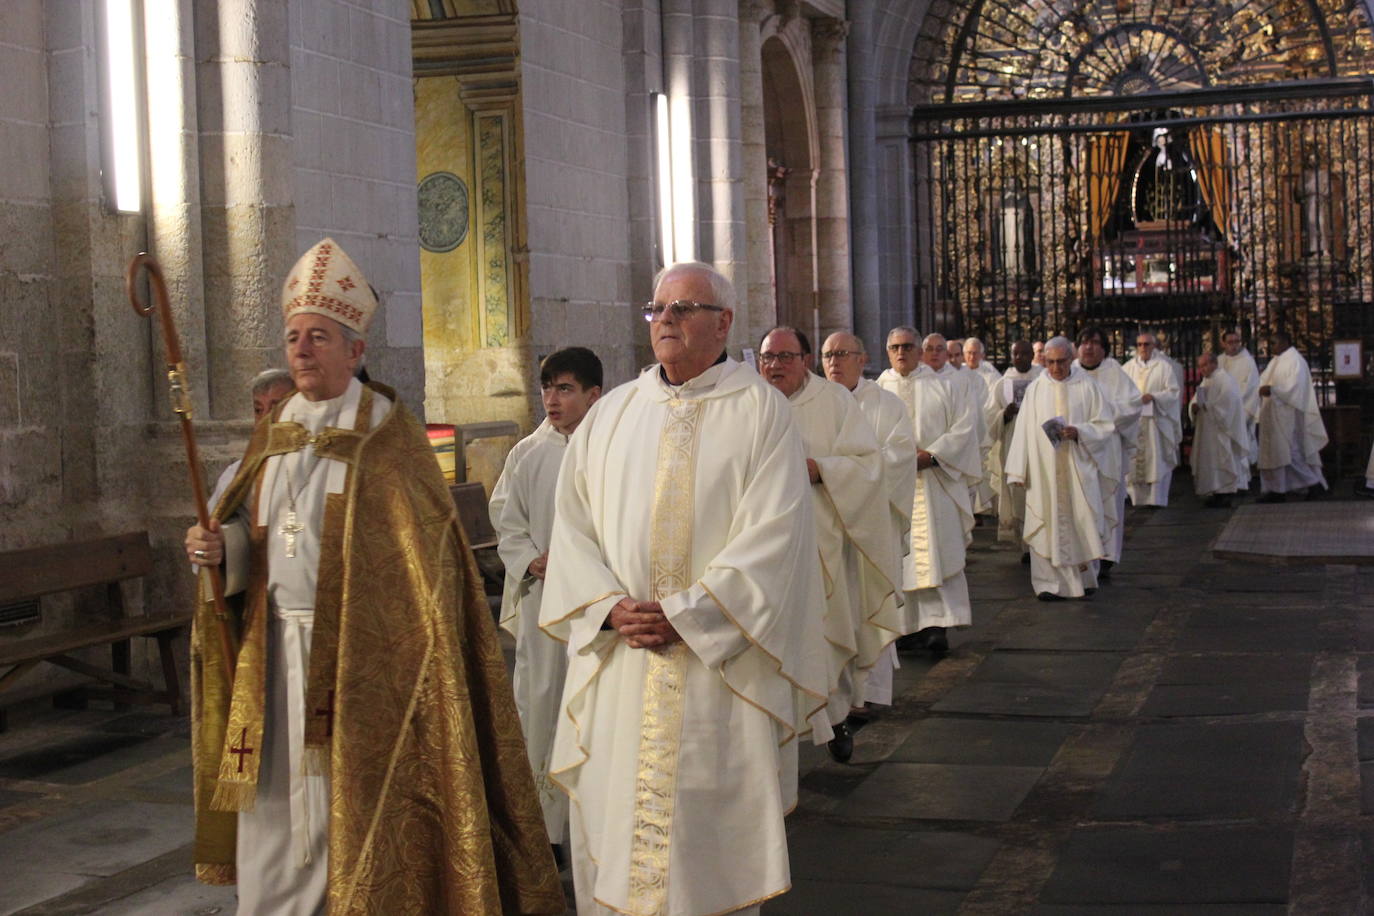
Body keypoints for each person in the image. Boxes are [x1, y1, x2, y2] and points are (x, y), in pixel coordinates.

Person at [183, 238, 562, 913]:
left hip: (365, 670)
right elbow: (255, 539)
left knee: (346, 810)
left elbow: (422, 577)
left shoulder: (389, 441)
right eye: (294, 336)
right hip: (271, 659)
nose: (301, 349)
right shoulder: (274, 436)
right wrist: (224, 553)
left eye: (319, 337)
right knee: (273, 808)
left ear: (356, 351)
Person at [540, 262, 831, 916]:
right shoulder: (611, 415)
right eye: (657, 309)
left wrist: (686, 614)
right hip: (624, 661)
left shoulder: (761, 413)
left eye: (683, 308)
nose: (665, 320)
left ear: (723, 322)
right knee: (616, 831)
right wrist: (607, 607)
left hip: (714, 669)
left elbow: (776, 535)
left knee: (703, 845)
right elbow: (574, 526)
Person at [761, 326, 895, 762]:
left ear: (805, 360)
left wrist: (822, 469)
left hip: (823, 542)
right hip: (763, 546)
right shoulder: (750, 404)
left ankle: (833, 717)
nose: (775, 366)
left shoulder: (834, 401)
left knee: (825, 629)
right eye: (768, 358)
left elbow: (868, 464)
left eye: (785, 357)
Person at [489, 346, 603, 851]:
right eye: (547, 388)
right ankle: (542, 827)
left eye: (565, 389)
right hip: (543, 601)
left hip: (599, 604)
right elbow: (505, 517)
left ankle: (591, 819)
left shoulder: (611, 447)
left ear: (593, 395)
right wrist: (531, 559)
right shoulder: (527, 453)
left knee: (592, 706)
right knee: (539, 704)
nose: (551, 400)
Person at [821, 331, 917, 711]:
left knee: (869, 603)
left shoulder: (886, 405)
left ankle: (871, 693)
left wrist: (843, 475)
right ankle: (832, 699)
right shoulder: (813, 405)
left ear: (862, 360)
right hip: (826, 525)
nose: (833, 362)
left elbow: (899, 457)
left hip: (872, 527)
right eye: (828, 354)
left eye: (842, 354)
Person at [878, 327, 980, 656]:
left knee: (939, 552)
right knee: (900, 557)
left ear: (919, 351)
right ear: (887, 351)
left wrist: (933, 455)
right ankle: (906, 628)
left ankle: (938, 626)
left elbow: (965, 427)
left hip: (935, 481)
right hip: (896, 486)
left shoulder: (943, 385)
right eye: (895, 347)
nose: (901, 352)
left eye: (908, 346)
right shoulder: (878, 389)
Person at [1004, 337, 1118, 600]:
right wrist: (1019, 470)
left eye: (1061, 362)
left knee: (1082, 519)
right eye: (1051, 362)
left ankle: (1085, 578)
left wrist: (1080, 432)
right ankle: (1048, 584)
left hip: (1078, 468)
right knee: (1046, 521)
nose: (1055, 368)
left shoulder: (1088, 386)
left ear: (1071, 359)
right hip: (1044, 473)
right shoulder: (1036, 389)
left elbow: (1105, 425)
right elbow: (1023, 431)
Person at [1074, 326, 1140, 576]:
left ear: (1104, 348)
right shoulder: (1071, 374)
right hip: (1079, 451)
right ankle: (1084, 555)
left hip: (1108, 450)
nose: (1088, 347)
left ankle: (1107, 555)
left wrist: (1101, 417)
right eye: (1084, 342)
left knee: (1109, 499)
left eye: (1094, 342)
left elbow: (1132, 405)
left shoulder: (1116, 373)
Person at [207, 369, 296, 517]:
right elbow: (216, 523)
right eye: (258, 410)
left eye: (276, 408)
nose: (265, 418)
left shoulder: (316, 464)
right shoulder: (237, 473)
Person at [984, 341, 1043, 558]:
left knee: (1039, 490)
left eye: (1025, 353)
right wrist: (1005, 415)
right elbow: (989, 418)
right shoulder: (1002, 384)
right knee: (1017, 492)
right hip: (1012, 445)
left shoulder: (1043, 379)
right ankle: (1025, 544)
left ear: (1032, 355)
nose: (1020, 357)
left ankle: (1040, 541)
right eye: (1016, 353)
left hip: (1038, 446)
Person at [1257, 330, 1329, 501]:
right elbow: (1263, 381)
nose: (1270, 347)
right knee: (1277, 454)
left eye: (1273, 343)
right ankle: (1277, 490)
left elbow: (1294, 389)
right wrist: (1264, 389)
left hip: (1287, 417)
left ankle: (1314, 484)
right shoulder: (1276, 361)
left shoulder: (1295, 360)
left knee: (1290, 453)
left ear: (1284, 342)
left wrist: (1272, 390)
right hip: (1273, 415)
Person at [925, 332, 990, 516]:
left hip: (952, 460)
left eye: (939, 349)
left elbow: (970, 421)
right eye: (929, 349)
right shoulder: (915, 380)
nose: (934, 354)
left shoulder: (960, 381)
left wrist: (938, 452)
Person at [1121, 331, 1181, 507]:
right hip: (1135, 422)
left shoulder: (1163, 367)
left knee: (1155, 460)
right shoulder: (1127, 368)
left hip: (1155, 422)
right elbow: (1120, 393)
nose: (1143, 348)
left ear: (1153, 346)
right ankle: (1135, 498)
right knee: (1134, 461)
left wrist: (1154, 397)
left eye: (1146, 344)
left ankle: (1156, 499)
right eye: (1139, 344)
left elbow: (1173, 392)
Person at [1189, 351, 1250, 508]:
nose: (1201, 369)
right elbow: (1197, 399)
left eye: (1204, 365)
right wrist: (1193, 407)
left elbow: (1229, 402)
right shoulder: (1206, 381)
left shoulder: (1225, 379)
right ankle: (1215, 491)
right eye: (1200, 366)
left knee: (1223, 459)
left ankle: (1226, 493)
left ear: (1213, 363)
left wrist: (1207, 406)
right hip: (1208, 429)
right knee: (1211, 461)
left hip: (1221, 430)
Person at [1218, 328, 1261, 466]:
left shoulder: (1247, 361)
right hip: (1221, 409)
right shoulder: (1219, 361)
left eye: (1237, 341)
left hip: (1241, 407)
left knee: (1241, 440)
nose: (1234, 345)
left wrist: (1231, 401)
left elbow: (1251, 387)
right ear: (1223, 343)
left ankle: (1243, 474)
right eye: (1230, 342)